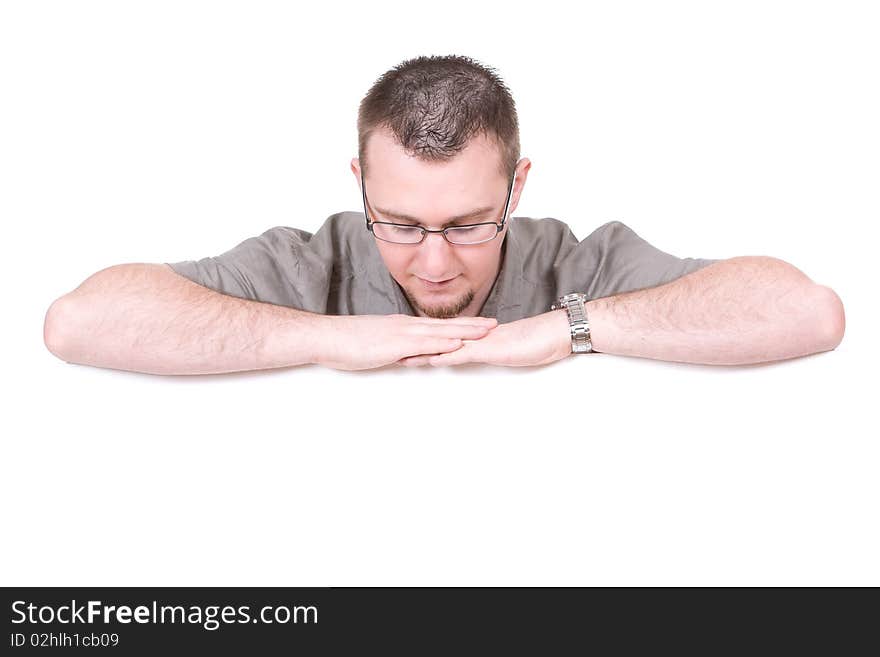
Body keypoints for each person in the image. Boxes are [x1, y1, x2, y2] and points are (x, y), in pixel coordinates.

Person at [43, 55, 845, 375]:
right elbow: (80, 324)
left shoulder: (577, 261)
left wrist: (571, 327)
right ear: (358, 185)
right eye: (395, 222)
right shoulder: (309, 261)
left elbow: (806, 313)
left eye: (468, 223)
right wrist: (322, 336)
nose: (433, 262)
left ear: (517, 188)